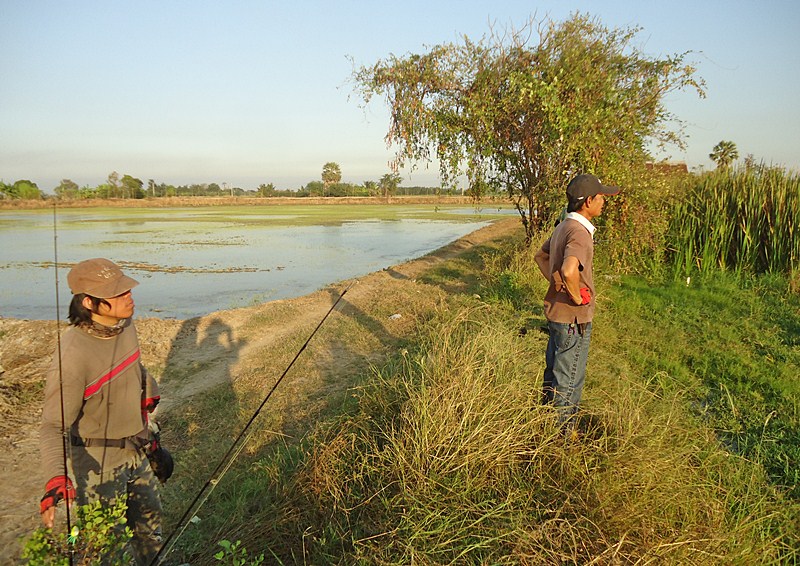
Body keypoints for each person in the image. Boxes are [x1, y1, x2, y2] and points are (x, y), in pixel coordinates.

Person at [39, 258, 162, 564]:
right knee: (106, 546)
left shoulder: (126, 325)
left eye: (126, 289)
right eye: (117, 295)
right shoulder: (72, 356)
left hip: (137, 450)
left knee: (151, 530)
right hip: (99, 468)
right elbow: (52, 426)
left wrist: (148, 388)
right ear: (89, 302)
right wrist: (56, 478)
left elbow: (134, 366)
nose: (128, 296)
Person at [534, 174, 620, 429]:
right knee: (569, 382)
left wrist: (556, 283)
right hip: (573, 319)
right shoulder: (580, 233)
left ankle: (543, 425)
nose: (604, 201)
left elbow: (541, 257)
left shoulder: (562, 226)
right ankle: (560, 441)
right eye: (601, 197)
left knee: (553, 375)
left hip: (557, 317)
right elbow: (571, 270)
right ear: (588, 201)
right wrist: (575, 296)